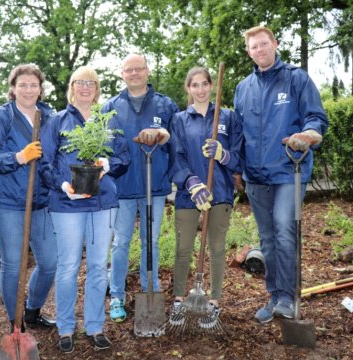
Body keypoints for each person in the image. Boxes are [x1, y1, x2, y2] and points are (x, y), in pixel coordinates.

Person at [234, 26, 328, 324]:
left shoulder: (296, 78)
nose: (260, 50)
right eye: (254, 47)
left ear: (274, 44)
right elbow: (239, 133)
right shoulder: (243, 88)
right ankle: (275, 296)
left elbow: (316, 116)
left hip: (288, 170)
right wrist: (237, 168)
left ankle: (288, 298)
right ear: (248, 52)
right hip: (255, 177)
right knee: (268, 238)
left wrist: (310, 133)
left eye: (264, 44)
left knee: (285, 233)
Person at [39, 66, 129, 353]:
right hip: (67, 204)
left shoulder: (108, 122)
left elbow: (124, 157)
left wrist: (108, 165)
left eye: (91, 83)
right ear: (72, 87)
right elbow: (45, 165)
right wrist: (63, 185)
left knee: (98, 266)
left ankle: (95, 325)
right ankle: (66, 327)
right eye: (80, 82)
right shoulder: (57, 122)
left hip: (103, 203)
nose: (86, 87)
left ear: (97, 88)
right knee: (67, 267)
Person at [0, 64, 57, 332]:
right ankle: (16, 323)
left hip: (41, 201)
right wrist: (18, 157)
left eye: (33, 85)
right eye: (22, 84)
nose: (28, 90)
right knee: (13, 263)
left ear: (40, 88)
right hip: (8, 201)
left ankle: (33, 310)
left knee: (49, 262)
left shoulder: (48, 117)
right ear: (13, 88)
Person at [103, 53, 179, 323]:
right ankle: (117, 297)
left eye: (138, 68)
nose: (134, 73)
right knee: (121, 243)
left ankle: (151, 290)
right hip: (122, 188)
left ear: (147, 71)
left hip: (154, 187)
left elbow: (175, 142)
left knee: (151, 242)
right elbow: (103, 149)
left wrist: (164, 136)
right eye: (128, 69)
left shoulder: (165, 105)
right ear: (122, 74)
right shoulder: (110, 107)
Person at [170, 67, 242, 316]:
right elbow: (175, 157)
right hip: (188, 194)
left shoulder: (228, 117)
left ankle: (215, 301)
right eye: (195, 85)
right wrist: (191, 182)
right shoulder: (179, 119)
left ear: (212, 86)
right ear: (188, 89)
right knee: (183, 247)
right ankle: (179, 298)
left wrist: (223, 155)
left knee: (217, 248)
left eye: (204, 84)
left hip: (220, 192)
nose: (200, 89)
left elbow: (239, 159)